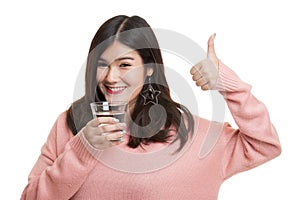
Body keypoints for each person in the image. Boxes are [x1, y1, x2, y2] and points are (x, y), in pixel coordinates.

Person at [21, 15, 281, 200]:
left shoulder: (190, 134)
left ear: (148, 70)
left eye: (124, 65)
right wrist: (82, 150)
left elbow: (265, 144)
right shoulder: (71, 125)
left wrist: (226, 83)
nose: (111, 77)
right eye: (103, 64)